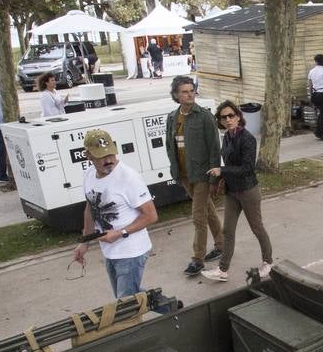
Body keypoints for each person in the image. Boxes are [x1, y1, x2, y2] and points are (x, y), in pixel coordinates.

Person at [72, 129, 157, 298]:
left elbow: (151, 215)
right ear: (88, 155)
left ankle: (166, 313)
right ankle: (168, 306)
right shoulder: (89, 175)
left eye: (110, 153)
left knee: (126, 304)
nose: (108, 160)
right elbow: (90, 209)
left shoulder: (128, 177)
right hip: (110, 251)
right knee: (131, 296)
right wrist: (85, 242)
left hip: (131, 251)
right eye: (101, 156)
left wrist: (120, 233)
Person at [203, 102, 273, 282]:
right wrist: (218, 180)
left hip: (248, 190)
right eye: (224, 117)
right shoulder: (227, 137)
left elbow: (248, 169)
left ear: (238, 116)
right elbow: (228, 164)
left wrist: (222, 171)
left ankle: (268, 263)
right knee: (228, 231)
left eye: (231, 116)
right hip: (232, 191)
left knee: (257, 228)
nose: (228, 120)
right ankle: (222, 270)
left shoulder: (247, 138)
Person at [165, 75, 224, 276]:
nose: (190, 95)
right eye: (185, 91)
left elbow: (215, 148)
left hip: (202, 174)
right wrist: (174, 169)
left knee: (198, 216)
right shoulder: (172, 117)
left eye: (192, 90)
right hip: (184, 174)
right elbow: (169, 145)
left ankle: (197, 259)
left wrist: (214, 178)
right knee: (208, 210)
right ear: (176, 95)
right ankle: (222, 244)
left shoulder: (205, 117)